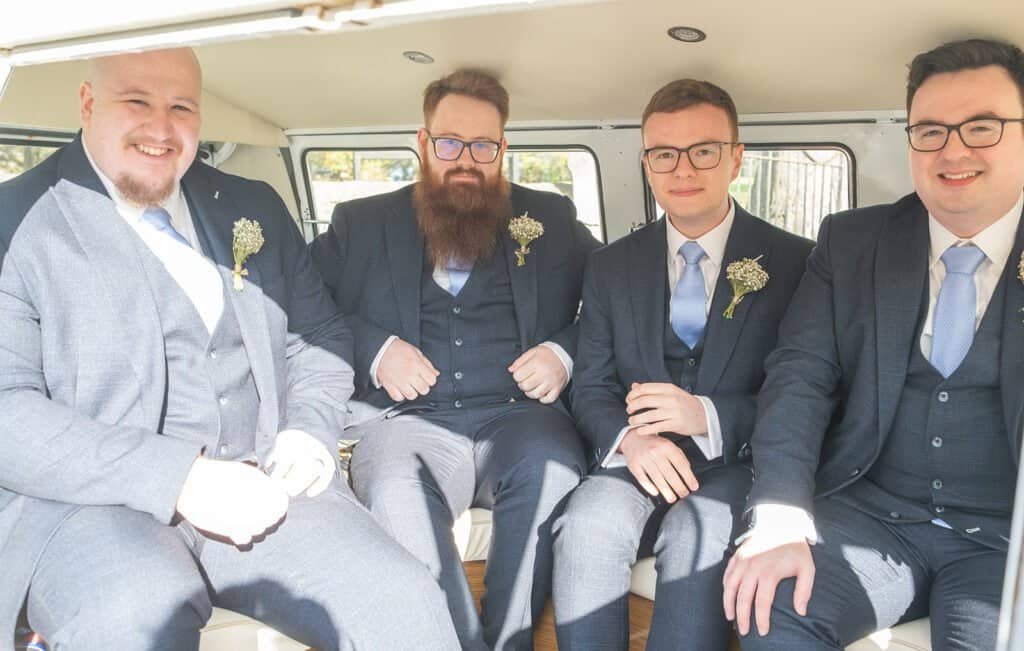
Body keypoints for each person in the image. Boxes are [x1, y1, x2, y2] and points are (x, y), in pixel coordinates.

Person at [0, 47, 459, 651]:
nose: (161, 129)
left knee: (405, 601)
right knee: (135, 621)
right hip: (94, 504)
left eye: (181, 107)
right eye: (136, 101)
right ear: (88, 103)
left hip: (264, 477)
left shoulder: (253, 205)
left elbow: (319, 336)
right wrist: (182, 480)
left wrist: (308, 432)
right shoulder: (17, 219)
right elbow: (9, 410)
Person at [723, 38, 1024, 651]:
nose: (954, 150)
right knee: (771, 611)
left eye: (982, 127)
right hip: (874, 517)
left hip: (1005, 540)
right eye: (931, 131)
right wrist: (779, 513)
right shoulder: (853, 241)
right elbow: (798, 376)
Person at [310, 68, 601, 650]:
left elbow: (624, 300)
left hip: (522, 420)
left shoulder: (551, 218)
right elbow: (300, 305)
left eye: (483, 146)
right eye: (448, 143)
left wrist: (564, 350)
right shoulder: (359, 223)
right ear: (423, 143)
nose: (465, 160)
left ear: (502, 150)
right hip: (407, 425)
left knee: (554, 476)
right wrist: (376, 350)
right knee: (394, 489)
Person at [551, 79, 812, 650]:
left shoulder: (798, 261)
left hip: (736, 461)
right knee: (586, 526)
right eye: (664, 154)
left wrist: (707, 415)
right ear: (647, 164)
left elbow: (808, 392)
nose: (683, 169)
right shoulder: (611, 264)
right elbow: (591, 384)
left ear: (735, 158)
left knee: (699, 535)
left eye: (703, 151)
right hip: (637, 456)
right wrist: (628, 440)